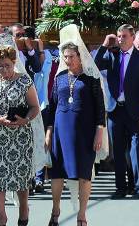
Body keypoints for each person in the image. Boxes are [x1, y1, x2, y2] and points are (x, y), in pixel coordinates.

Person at [0, 45, 40, 226]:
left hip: (20, 136)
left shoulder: (24, 81)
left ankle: (23, 208)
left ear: (14, 63)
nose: (4, 69)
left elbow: (34, 107)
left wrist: (26, 119)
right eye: (0, 65)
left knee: (20, 177)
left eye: (7, 65)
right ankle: (1, 215)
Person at [46, 41, 106, 226]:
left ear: (81, 57)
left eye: (72, 56)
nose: (68, 60)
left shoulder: (91, 79)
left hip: (84, 132)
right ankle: (55, 211)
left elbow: (100, 109)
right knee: (56, 172)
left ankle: (81, 215)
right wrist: (49, 132)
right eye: (65, 57)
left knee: (84, 174)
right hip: (60, 131)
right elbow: (52, 106)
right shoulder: (59, 78)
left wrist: (99, 133)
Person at [94, 24, 139, 200]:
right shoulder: (111, 55)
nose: (120, 39)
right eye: (119, 36)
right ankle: (121, 188)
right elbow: (95, 65)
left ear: (132, 37)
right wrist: (105, 44)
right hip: (115, 110)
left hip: (135, 110)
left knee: (136, 150)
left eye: (124, 36)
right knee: (119, 152)